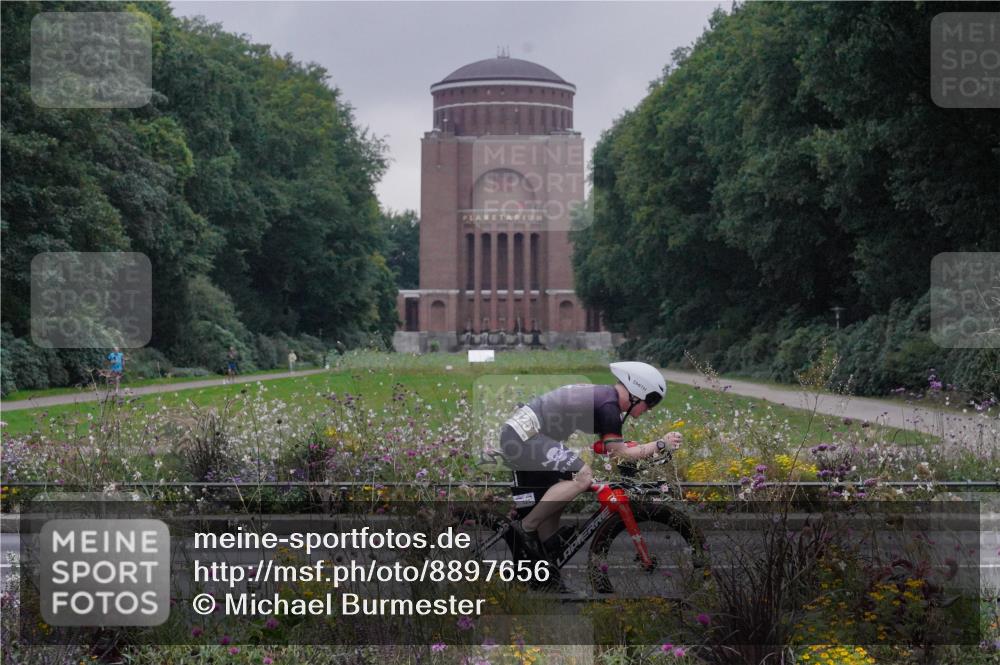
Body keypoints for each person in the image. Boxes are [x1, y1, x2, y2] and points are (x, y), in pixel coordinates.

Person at [499, 361, 682, 561]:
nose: (650, 409)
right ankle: (526, 528)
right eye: (651, 402)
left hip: (523, 436)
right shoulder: (608, 405)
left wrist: (646, 448)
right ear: (637, 392)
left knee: (561, 489)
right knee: (582, 476)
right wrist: (660, 445)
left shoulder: (605, 398)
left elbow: (610, 449)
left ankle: (546, 568)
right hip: (524, 438)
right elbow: (621, 454)